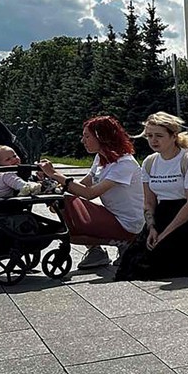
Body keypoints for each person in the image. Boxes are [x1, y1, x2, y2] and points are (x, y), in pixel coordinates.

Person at [114, 113, 188, 280]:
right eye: (149, 136)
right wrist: (152, 227)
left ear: (173, 136)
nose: (153, 140)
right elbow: (149, 201)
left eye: (159, 136)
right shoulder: (149, 162)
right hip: (163, 214)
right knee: (134, 265)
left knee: (173, 263)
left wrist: (166, 233)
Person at [38, 116, 145, 270]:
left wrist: (55, 174)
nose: (83, 140)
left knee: (66, 203)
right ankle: (96, 251)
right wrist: (57, 191)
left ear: (102, 137)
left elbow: (89, 194)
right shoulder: (100, 158)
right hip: (113, 215)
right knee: (62, 202)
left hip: (128, 223)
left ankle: (126, 242)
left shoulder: (124, 163)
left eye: (87, 136)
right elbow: (84, 183)